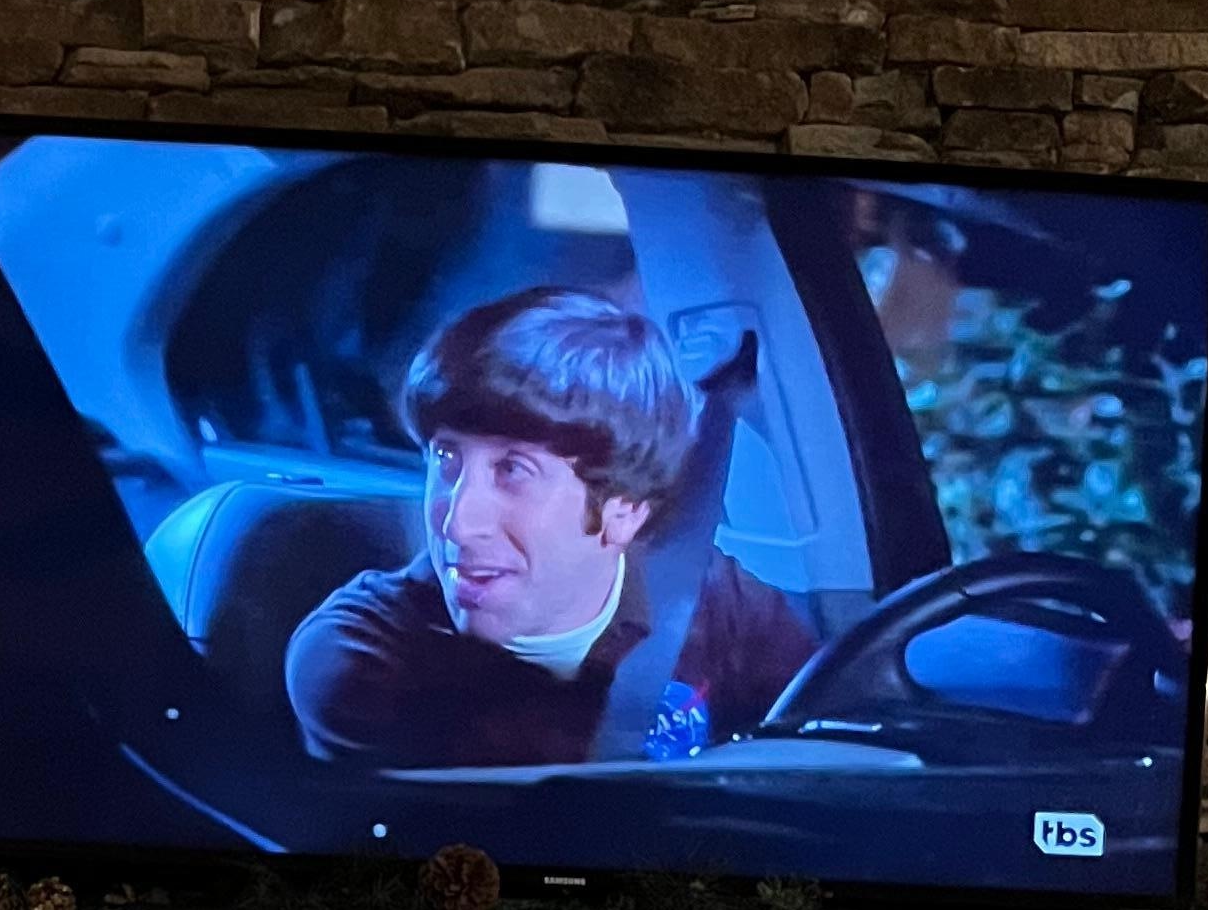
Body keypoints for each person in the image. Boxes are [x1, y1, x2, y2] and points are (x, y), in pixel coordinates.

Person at [284, 287, 815, 769]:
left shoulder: (711, 597)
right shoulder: (363, 664)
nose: (458, 523)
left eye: (513, 469)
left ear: (624, 510)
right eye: (446, 458)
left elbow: (825, 736)